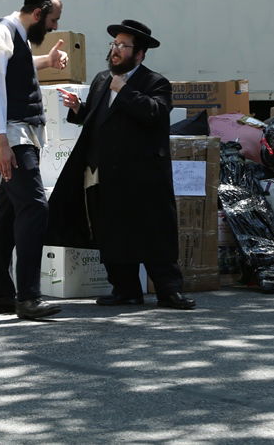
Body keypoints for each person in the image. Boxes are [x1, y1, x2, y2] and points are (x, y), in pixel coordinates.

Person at [48, 20, 196, 310]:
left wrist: (125, 90)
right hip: (104, 172)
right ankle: (125, 290)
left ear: (139, 54)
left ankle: (169, 291)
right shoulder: (102, 79)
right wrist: (79, 109)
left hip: (142, 176)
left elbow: (155, 114)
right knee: (110, 232)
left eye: (122, 46)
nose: (115, 51)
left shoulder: (155, 82)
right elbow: (97, 118)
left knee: (153, 232)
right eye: (114, 45)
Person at [0, 0, 68, 320]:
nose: (55, 27)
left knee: (7, 215)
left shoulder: (14, 37)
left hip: (16, 134)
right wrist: (1, 143)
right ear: (39, 13)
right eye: (54, 19)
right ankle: (27, 297)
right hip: (11, 136)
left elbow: (17, 68)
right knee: (34, 208)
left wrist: (47, 61)